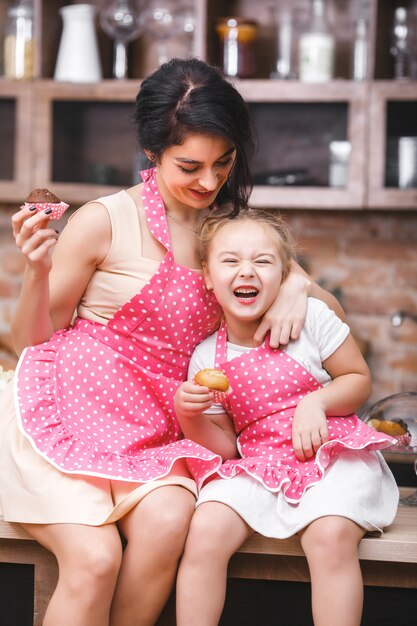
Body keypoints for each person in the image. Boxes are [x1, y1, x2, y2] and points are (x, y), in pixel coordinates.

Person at [0, 58, 344, 626]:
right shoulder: (105, 220)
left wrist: (299, 286)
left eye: (223, 163)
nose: (209, 182)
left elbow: (332, 325)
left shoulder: (231, 232)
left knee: (169, 522)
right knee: (95, 561)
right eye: (190, 166)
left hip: (161, 427)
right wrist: (36, 274)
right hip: (63, 412)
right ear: (152, 152)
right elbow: (29, 339)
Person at [174, 206, 400, 626]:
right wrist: (190, 417)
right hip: (260, 467)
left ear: (284, 274)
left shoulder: (312, 319)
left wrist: (314, 403)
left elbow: (357, 378)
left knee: (328, 536)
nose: (247, 271)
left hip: (332, 457)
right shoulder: (208, 355)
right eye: (230, 261)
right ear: (207, 275)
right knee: (204, 529)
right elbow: (225, 447)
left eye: (262, 261)